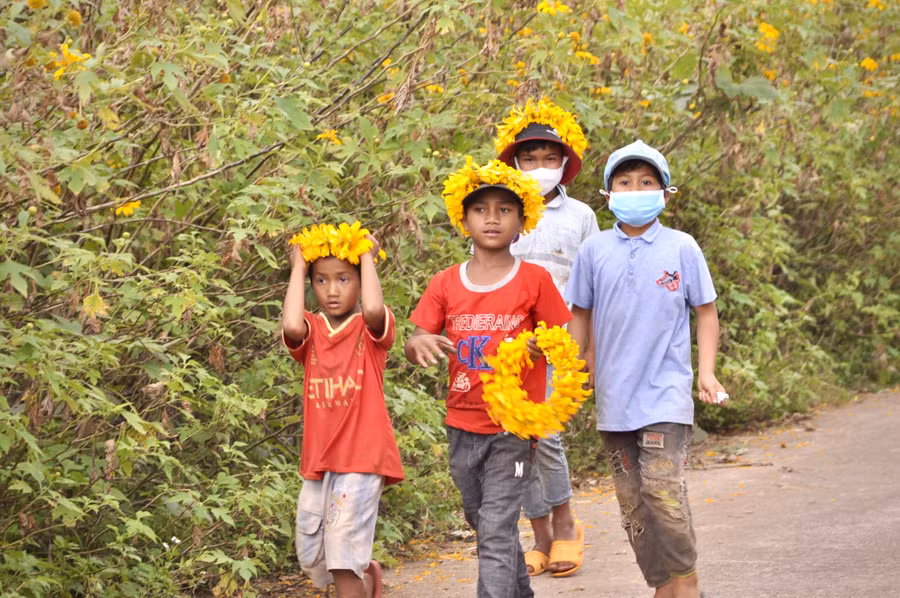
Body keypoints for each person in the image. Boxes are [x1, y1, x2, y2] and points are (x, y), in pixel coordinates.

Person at [565, 140, 728, 598]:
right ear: (608, 193)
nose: (635, 190)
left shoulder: (682, 247)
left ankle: (686, 578)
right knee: (633, 504)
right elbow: (580, 314)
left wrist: (706, 373)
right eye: (625, 182)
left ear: (665, 193)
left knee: (662, 490)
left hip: (665, 394)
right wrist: (575, 367)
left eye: (646, 182)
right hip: (615, 399)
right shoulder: (593, 250)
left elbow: (706, 312)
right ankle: (662, 583)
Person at [405, 159, 572, 598]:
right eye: (481, 210)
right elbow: (416, 338)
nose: (492, 218)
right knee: (483, 521)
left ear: (522, 222)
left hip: (513, 429)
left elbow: (563, 340)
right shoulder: (445, 283)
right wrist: (418, 345)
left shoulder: (535, 280)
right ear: (464, 220)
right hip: (461, 425)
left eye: (504, 210)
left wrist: (542, 345)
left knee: (496, 527)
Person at [494, 98, 598, 577]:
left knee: (548, 435)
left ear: (564, 162)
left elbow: (591, 290)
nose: (539, 166)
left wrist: (588, 349)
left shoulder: (580, 216)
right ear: (514, 161)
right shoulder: (503, 211)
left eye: (549, 158)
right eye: (529, 158)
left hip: (560, 342)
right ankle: (539, 534)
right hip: (510, 345)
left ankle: (566, 524)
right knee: (519, 439)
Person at [281, 224, 404, 598]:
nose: (332, 290)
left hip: (362, 457)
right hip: (319, 460)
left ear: (361, 281)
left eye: (344, 279)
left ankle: (356, 580)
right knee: (312, 554)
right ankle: (368, 581)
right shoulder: (312, 330)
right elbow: (291, 324)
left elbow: (373, 308)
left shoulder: (369, 330)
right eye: (321, 280)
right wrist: (298, 267)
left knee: (342, 556)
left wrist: (366, 255)